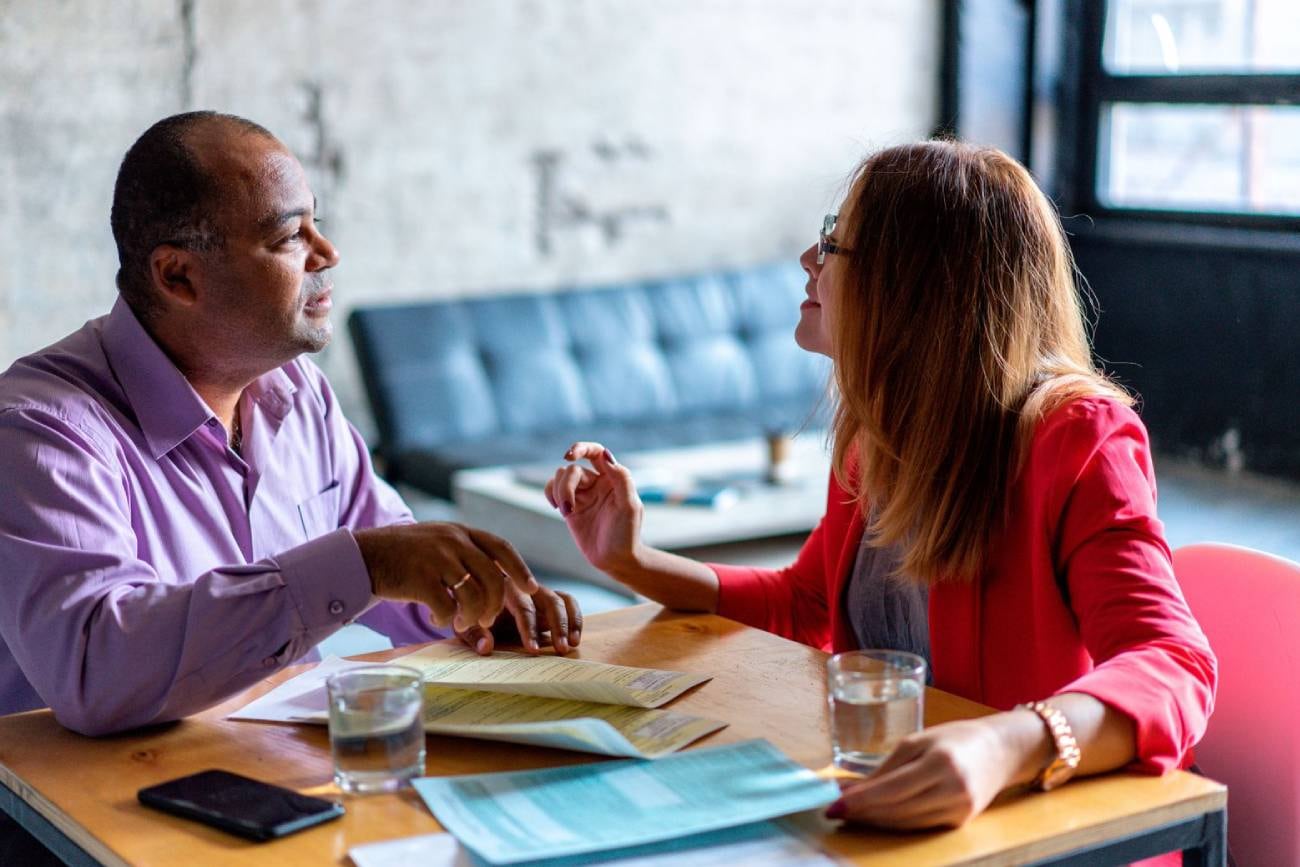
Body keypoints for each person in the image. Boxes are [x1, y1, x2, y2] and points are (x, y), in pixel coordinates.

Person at [545, 141, 1216, 832]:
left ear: (914, 284)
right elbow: (807, 603)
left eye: (835, 242)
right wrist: (630, 560)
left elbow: (1173, 662)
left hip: (1038, 830)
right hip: (893, 815)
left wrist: (1004, 742)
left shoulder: (1077, 435)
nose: (810, 259)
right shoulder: (880, 433)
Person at [0, 111, 582, 740]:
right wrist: (366, 565)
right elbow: (97, 670)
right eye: (288, 238)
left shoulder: (296, 393)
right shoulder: (41, 433)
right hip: (74, 817)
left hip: (269, 767)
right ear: (178, 276)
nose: (328, 255)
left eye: (318, 225)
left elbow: (391, 562)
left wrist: (477, 604)